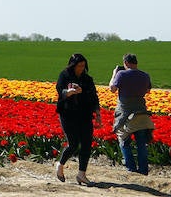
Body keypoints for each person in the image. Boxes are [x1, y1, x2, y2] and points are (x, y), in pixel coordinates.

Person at [55, 53, 101, 185]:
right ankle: (60, 164)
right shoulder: (64, 75)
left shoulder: (87, 79)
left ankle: (82, 174)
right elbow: (60, 89)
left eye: (83, 65)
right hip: (68, 114)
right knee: (73, 144)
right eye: (79, 66)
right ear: (73, 65)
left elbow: (94, 97)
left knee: (86, 143)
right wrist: (68, 93)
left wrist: (97, 114)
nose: (81, 68)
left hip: (85, 114)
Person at [109, 53, 153, 175]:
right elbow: (148, 90)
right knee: (141, 144)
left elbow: (112, 89)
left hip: (125, 115)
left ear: (126, 63)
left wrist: (114, 74)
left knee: (123, 140)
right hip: (142, 113)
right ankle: (143, 170)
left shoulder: (121, 74)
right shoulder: (145, 75)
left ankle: (131, 168)